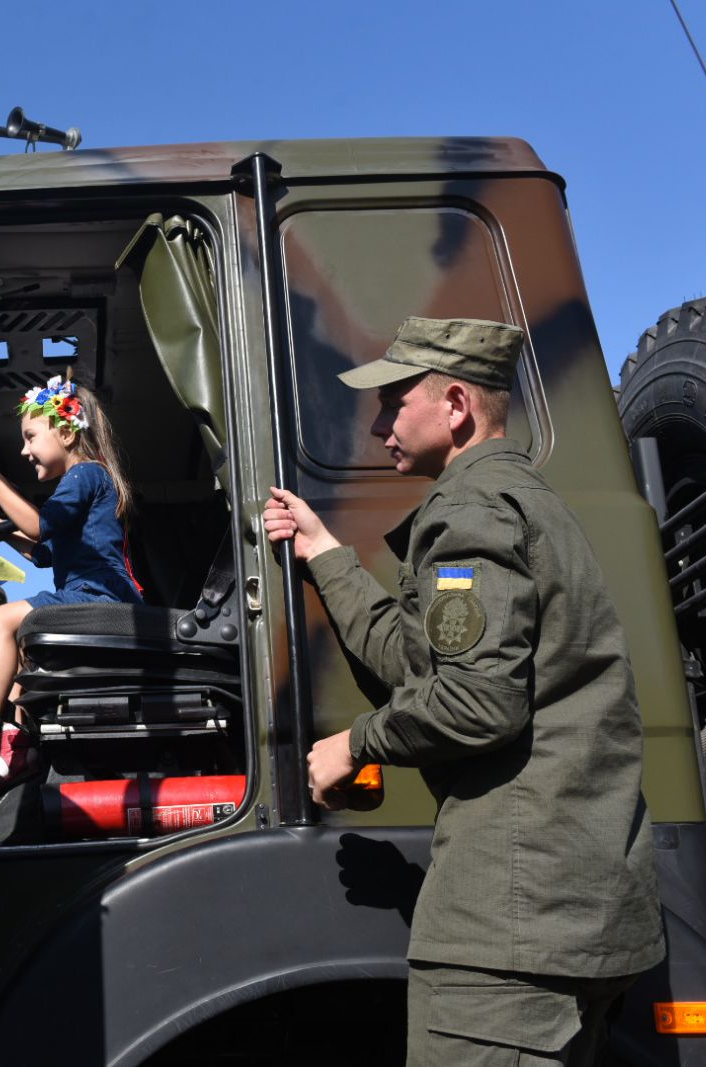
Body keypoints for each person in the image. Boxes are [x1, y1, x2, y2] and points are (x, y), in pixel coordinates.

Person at [262, 317, 664, 1066]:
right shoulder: (520, 500)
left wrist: (356, 743)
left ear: (454, 405)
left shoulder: (472, 510)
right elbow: (418, 660)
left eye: (393, 403)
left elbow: (478, 701)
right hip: (567, 909)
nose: (378, 425)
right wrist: (326, 554)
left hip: (511, 930)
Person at [0, 374, 141, 794]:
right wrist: (5, 533)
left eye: (31, 437)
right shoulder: (89, 481)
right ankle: (20, 749)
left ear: (67, 434)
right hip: (94, 595)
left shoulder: (84, 475)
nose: (24, 450)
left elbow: (39, 526)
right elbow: (45, 552)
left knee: (3, 619)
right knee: (22, 654)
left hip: (99, 597)